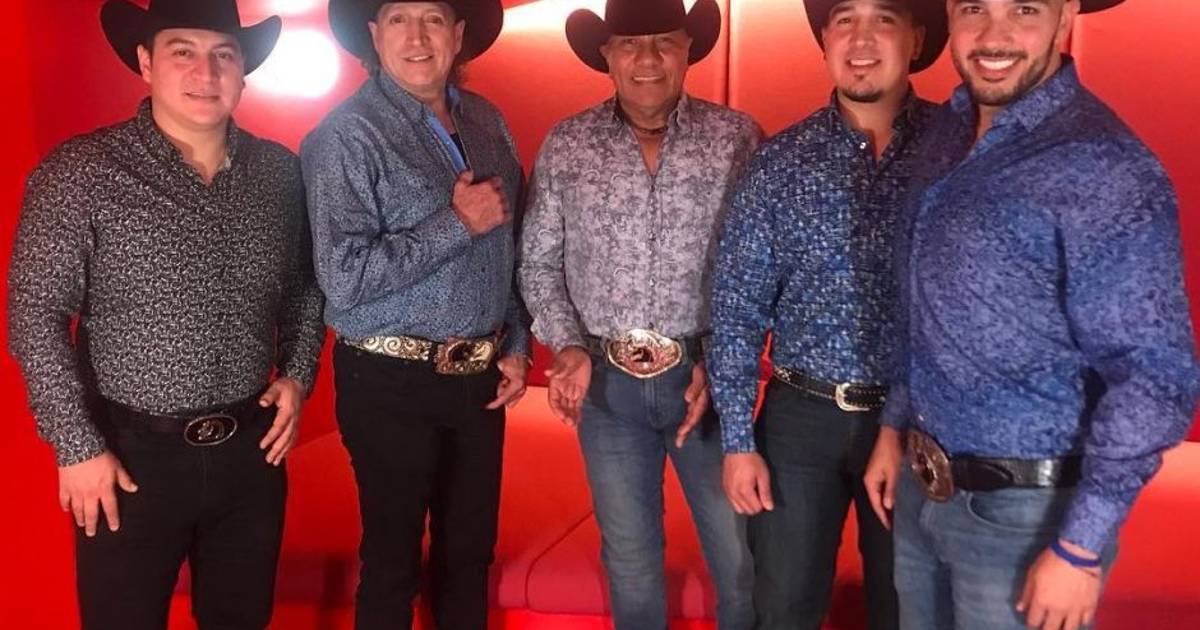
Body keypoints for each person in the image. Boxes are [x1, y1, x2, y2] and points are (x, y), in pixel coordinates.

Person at [861, 1, 1200, 629]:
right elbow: (924, 308)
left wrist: (1080, 547)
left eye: (1023, 8)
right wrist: (894, 427)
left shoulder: (1104, 164)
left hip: (1028, 517)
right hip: (921, 487)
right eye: (974, 7)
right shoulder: (947, 131)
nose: (994, 36)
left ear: (1065, 14)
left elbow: (1155, 377)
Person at [7, 0, 326, 628]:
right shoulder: (81, 172)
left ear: (242, 71)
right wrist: (76, 447)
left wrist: (297, 375)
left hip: (250, 455)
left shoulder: (279, 173)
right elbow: (35, 314)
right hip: (126, 459)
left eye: (224, 54)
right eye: (183, 51)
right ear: (147, 62)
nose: (206, 73)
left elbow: (303, 290)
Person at [519, 1, 762, 627]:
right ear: (606, 55)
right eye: (630, 43)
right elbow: (537, 262)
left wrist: (726, 361)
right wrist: (568, 346)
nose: (647, 58)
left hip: (708, 385)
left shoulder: (736, 138)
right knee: (629, 563)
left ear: (688, 48)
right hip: (607, 388)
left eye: (664, 42)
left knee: (741, 559)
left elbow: (762, 269)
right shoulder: (567, 144)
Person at [708, 1, 947, 628]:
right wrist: (737, 441)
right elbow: (736, 307)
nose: (861, 39)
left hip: (921, 423)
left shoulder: (956, 148)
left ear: (917, 39)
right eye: (844, 20)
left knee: (908, 608)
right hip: (800, 422)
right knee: (783, 607)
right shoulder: (780, 161)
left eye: (884, 19)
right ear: (824, 40)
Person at [301, 1, 529, 627]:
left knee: (469, 556)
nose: (417, 36)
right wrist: (456, 223)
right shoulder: (346, 135)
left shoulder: (487, 120)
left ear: (458, 35)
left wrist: (516, 341)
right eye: (400, 19)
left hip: (479, 378)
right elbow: (343, 279)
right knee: (393, 561)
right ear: (375, 36)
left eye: (432, 18)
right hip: (389, 380)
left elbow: (507, 247)